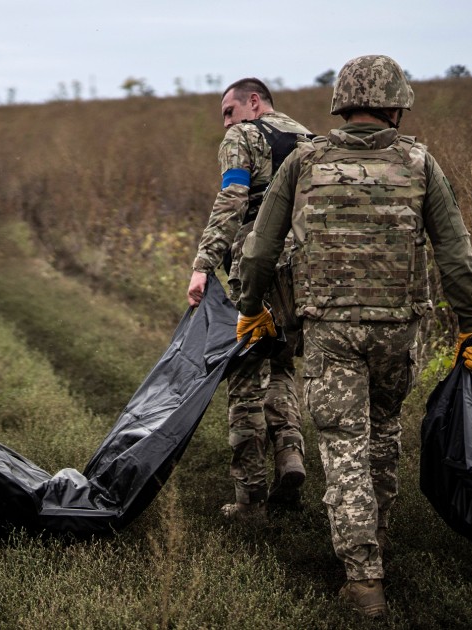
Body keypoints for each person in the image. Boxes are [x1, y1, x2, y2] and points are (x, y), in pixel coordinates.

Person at [234, 55, 472, 618]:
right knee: (383, 432)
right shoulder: (421, 163)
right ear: (397, 105)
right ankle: (377, 544)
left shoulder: (303, 161)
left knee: (342, 442)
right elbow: (456, 254)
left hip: (329, 330)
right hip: (401, 330)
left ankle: (363, 576)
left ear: (341, 104)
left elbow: (258, 251)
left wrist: (251, 310)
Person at [186, 78, 311, 518]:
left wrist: (203, 264)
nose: (225, 123)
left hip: (257, 270)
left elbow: (232, 198)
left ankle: (251, 499)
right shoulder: (310, 141)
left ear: (253, 102)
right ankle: (291, 456)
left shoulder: (243, 136)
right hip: (305, 276)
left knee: (243, 376)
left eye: (228, 111)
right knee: (281, 365)